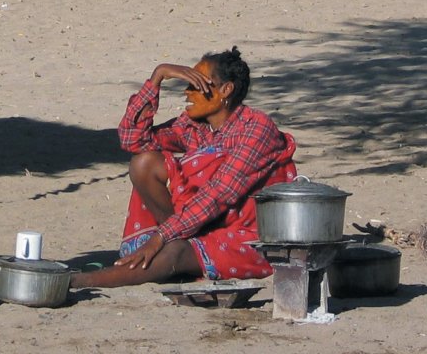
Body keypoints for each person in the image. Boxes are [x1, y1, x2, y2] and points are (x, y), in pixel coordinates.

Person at [71, 47, 297, 289]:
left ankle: (78, 281)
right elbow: (132, 139)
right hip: (199, 224)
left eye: (196, 84)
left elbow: (218, 194)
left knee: (173, 252)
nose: (187, 92)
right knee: (144, 162)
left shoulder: (256, 129)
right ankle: (174, 248)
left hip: (251, 238)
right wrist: (158, 76)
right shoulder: (193, 126)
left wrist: (160, 237)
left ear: (225, 90)